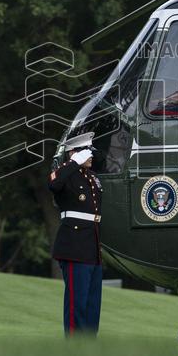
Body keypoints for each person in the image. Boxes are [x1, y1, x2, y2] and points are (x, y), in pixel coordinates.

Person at [47, 131, 103, 336]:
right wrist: (72, 162)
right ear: (74, 152)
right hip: (74, 245)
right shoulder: (65, 173)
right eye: (85, 152)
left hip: (92, 245)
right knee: (76, 304)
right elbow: (53, 184)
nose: (90, 156)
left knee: (92, 304)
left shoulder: (92, 177)